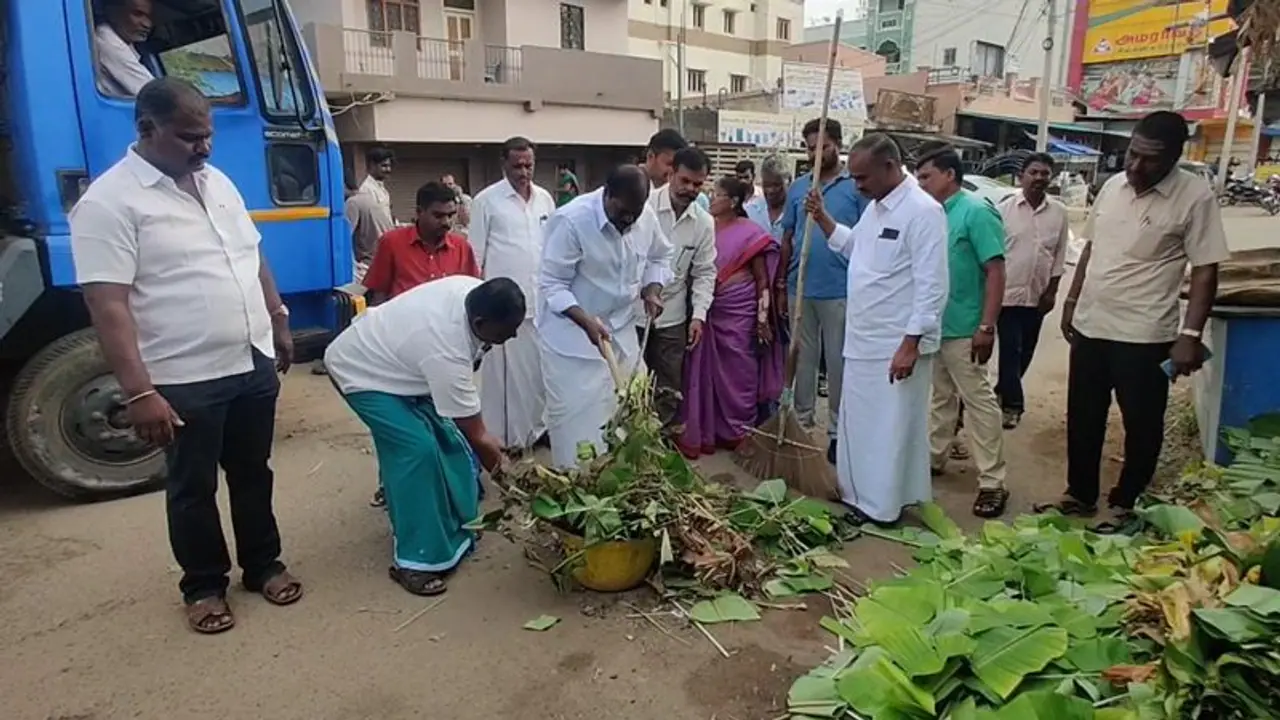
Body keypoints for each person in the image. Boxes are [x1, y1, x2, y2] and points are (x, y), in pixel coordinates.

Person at [71, 78, 300, 635]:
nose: (204, 147)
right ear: (146, 129)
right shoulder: (108, 202)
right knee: (193, 487)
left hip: (250, 360)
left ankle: (262, 565)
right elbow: (107, 304)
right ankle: (203, 586)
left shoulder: (217, 182)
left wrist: (277, 316)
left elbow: (252, 255)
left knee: (253, 473)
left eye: (208, 135)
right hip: (184, 375)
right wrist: (140, 391)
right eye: (190, 137)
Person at [1050, 110, 1229, 529]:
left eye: (1150, 159)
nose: (1136, 165)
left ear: (1174, 156)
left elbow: (1206, 269)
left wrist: (1190, 334)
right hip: (1092, 324)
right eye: (1132, 154)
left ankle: (1127, 500)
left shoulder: (1195, 197)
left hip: (1145, 334)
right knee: (1083, 416)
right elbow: (1091, 248)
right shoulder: (1113, 186)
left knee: (1142, 424)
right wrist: (1072, 300)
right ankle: (1080, 493)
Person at [325, 276, 524, 596]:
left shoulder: (473, 292)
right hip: (360, 371)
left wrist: (493, 446)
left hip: (401, 364)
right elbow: (478, 436)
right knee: (416, 451)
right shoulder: (446, 349)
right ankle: (415, 562)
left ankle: (455, 526)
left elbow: (474, 431)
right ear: (479, 323)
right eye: (507, 330)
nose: (513, 336)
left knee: (447, 439)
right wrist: (513, 485)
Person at [806, 133, 948, 525]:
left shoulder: (923, 212)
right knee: (861, 426)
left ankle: (882, 508)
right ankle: (858, 495)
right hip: (862, 339)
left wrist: (911, 343)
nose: (857, 186)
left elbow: (933, 285)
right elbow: (857, 248)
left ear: (889, 167)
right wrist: (823, 219)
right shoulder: (876, 208)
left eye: (862, 177)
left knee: (889, 429)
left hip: (894, 343)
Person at [537, 165, 672, 469]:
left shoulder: (644, 217)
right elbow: (552, 284)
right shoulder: (571, 221)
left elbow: (660, 256)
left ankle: (620, 483)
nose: (629, 221)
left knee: (630, 416)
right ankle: (578, 483)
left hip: (622, 334)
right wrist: (585, 320)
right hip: (572, 342)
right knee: (579, 429)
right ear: (607, 194)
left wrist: (652, 288)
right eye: (623, 212)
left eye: (635, 214)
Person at [914, 144, 1011, 518]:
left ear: (949, 175)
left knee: (978, 401)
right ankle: (934, 457)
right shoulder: (932, 214)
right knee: (941, 397)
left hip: (967, 327)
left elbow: (996, 271)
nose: (921, 184)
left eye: (927, 176)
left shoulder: (976, 212)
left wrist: (986, 326)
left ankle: (992, 482)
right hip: (936, 324)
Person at [778, 118, 868, 463]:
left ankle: (836, 431)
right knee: (802, 361)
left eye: (823, 147)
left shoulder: (855, 188)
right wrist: (781, 281)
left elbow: (864, 239)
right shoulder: (799, 187)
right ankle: (801, 424)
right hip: (800, 287)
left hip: (840, 289)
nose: (815, 154)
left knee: (838, 364)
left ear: (838, 146)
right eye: (809, 148)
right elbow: (788, 236)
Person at [678, 176, 782, 458]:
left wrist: (762, 319)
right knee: (705, 373)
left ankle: (740, 431)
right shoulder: (704, 227)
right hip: (708, 309)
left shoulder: (750, 232)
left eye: (718, 194)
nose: (711, 199)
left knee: (740, 371)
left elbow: (763, 280)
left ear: (733, 201)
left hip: (739, 312)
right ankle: (711, 430)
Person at [469, 137, 557, 452]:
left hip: (540, 303)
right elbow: (475, 255)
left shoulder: (545, 199)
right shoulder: (486, 201)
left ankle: (537, 429)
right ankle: (503, 440)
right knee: (504, 380)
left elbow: (552, 247)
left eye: (528, 165)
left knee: (538, 373)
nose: (523, 172)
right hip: (502, 309)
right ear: (503, 164)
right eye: (517, 165)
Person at [640, 147, 716, 428]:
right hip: (633, 314)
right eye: (685, 181)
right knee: (629, 383)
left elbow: (705, 272)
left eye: (698, 184)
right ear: (670, 174)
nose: (690, 189)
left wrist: (699, 316)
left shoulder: (704, 223)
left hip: (673, 318)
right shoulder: (643, 207)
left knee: (669, 388)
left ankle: (660, 444)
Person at [996, 152, 1070, 429]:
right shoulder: (1004, 210)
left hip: (1037, 296)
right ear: (1021, 177)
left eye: (1044, 173)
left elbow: (1059, 255)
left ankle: (1003, 390)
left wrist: (1052, 292)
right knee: (1011, 350)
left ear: (1051, 178)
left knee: (1026, 351)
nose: (1039, 178)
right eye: (1034, 172)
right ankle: (1013, 405)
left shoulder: (1059, 213)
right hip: (1006, 294)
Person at [363, 181, 480, 306]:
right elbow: (378, 295)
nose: (446, 222)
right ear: (419, 212)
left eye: (451, 215)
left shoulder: (462, 247)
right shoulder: (391, 243)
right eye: (438, 216)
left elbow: (472, 292)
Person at [745, 155, 791, 422]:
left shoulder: (797, 209)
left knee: (784, 351)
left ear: (788, 181)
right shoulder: (752, 210)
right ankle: (757, 406)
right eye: (767, 184)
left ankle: (781, 409)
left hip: (785, 293)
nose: (772, 190)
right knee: (757, 347)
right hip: (756, 292)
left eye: (777, 184)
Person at [350, 145, 396, 284]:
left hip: (386, 251)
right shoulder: (366, 191)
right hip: (370, 259)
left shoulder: (381, 190)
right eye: (384, 166)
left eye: (389, 166)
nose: (388, 169)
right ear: (371, 165)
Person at [96, 0, 155, 97]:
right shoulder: (108, 42)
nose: (147, 24)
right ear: (113, 13)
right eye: (138, 14)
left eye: (149, 18)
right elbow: (157, 96)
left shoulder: (127, 45)